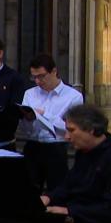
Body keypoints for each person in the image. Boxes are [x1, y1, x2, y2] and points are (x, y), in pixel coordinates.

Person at [21, 53, 83, 191]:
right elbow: (26, 129)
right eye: (34, 77)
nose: (38, 81)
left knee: (57, 190)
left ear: (54, 71)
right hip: (33, 145)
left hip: (56, 147)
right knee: (29, 190)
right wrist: (28, 119)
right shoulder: (30, 94)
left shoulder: (73, 96)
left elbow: (70, 128)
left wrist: (44, 115)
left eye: (42, 76)